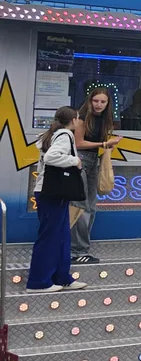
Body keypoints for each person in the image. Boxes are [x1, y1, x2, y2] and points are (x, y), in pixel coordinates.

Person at [27, 107, 89, 293]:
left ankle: (62, 277)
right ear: (73, 120)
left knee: (62, 236)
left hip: (52, 192)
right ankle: (38, 281)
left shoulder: (53, 133)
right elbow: (52, 157)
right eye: (78, 119)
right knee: (50, 236)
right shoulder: (64, 135)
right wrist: (74, 161)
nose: (79, 122)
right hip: (51, 192)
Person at [72, 87, 121, 265]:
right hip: (80, 161)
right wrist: (104, 143)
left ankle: (81, 249)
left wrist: (105, 146)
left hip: (92, 160)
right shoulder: (82, 117)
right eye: (96, 101)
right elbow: (78, 143)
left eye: (103, 102)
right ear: (90, 100)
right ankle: (77, 251)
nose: (98, 105)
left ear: (108, 104)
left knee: (91, 206)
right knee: (80, 206)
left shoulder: (104, 119)